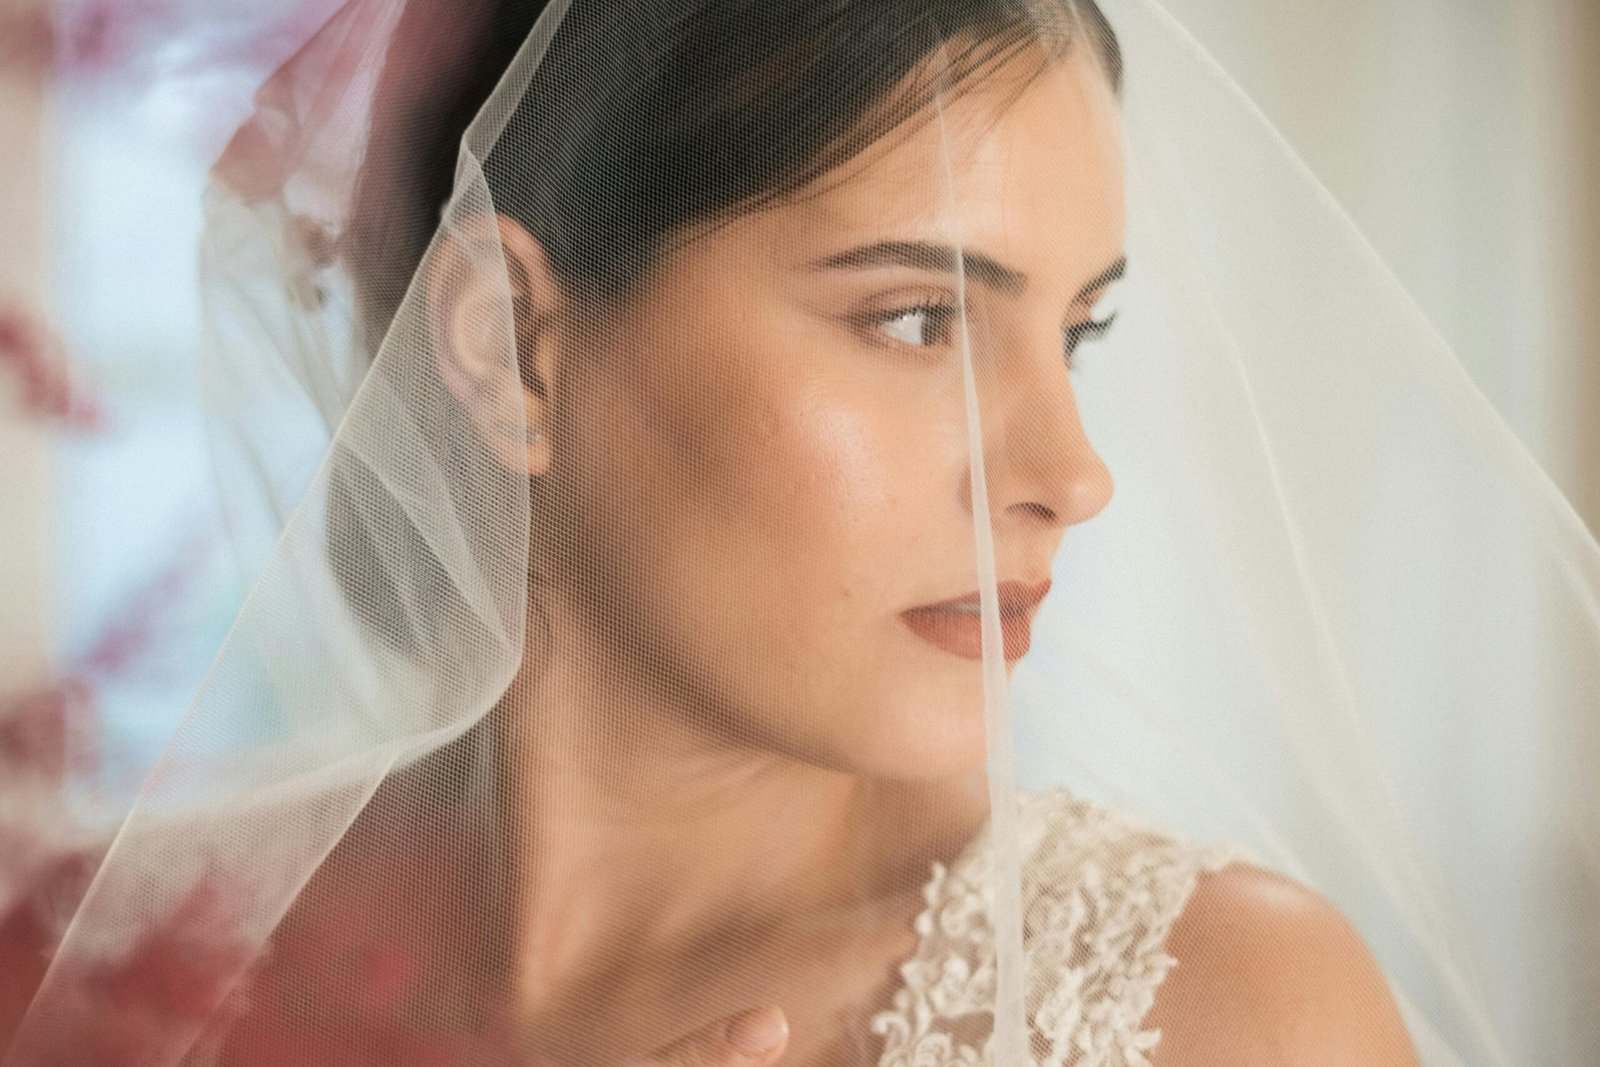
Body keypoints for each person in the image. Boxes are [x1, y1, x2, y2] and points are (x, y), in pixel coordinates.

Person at [7, 0, 1595, 1063]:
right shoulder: (121, 951)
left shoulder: (1227, 1017)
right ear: (509, 345)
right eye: (917, 320)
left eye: (1080, 332)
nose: (1072, 468)